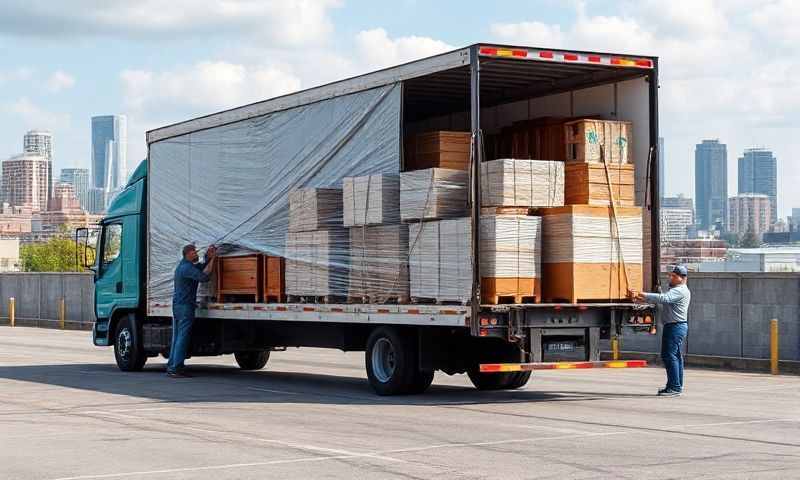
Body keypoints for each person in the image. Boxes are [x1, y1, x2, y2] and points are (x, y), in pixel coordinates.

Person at [629, 265, 691, 397]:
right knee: (675, 356)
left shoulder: (680, 290)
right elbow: (664, 299)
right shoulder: (678, 290)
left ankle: (674, 387)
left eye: (674, 276)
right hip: (676, 326)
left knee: (669, 356)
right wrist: (643, 298)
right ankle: (675, 386)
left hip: (675, 327)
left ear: (682, 278)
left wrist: (642, 293)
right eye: (671, 275)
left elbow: (664, 298)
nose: (671, 278)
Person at [167, 244, 217, 378]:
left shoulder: (185, 266)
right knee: (182, 337)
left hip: (178, 305)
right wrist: (213, 259)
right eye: (195, 253)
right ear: (188, 253)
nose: (197, 255)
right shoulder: (186, 268)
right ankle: (177, 367)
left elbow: (200, 267)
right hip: (184, 306)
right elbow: (204, 277)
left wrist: (207, 257)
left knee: (177, 337)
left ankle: (172, 365)